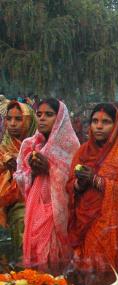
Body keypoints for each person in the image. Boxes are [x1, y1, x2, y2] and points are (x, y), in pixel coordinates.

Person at [67, 103, 118, 280]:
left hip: (111, 226)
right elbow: (68, 185)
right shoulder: (83, 151)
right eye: (95, 121)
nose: (99, 126)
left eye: (105, 122)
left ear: (116, 126)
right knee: (86, 276)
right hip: (84, 222)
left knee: (111, 277)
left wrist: (96, 180)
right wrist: (79, 185)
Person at [14, 98, 80, 271]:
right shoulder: (29, 145)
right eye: (39, 114)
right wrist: (34, 172)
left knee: (54, 258)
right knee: (34, 252)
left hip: (57, 209)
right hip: (35, 207)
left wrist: (50, 169)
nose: (42, 118)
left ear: (59, 119)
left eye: (49, 115)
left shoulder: (70, 145)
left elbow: (75, 181)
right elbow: (19, 178)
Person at [0, 101, 36, 250]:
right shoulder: (3, 149)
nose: (12, 123)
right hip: (10, 203)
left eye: (18, 119)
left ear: (29, 121)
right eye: (9, 119)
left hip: (36, 200)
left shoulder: (39, 146)